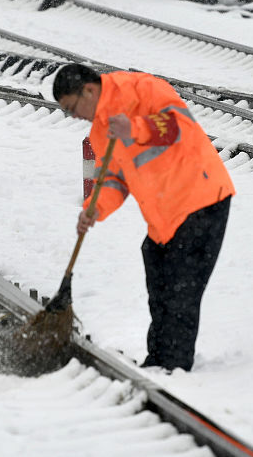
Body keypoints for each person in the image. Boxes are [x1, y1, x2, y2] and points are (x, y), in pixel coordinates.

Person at [52, 62, 234, 371]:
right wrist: (95, 208)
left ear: (89, 90)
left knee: (181, 288)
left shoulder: (142, 89)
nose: (74, 116)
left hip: (201, 198)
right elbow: (113, 180)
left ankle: (173, 365)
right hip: (164, 216)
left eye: (72, 107)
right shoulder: (99, 132)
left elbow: (178, 128)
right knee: (160, 282)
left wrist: (134, 129)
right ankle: (158, 361)